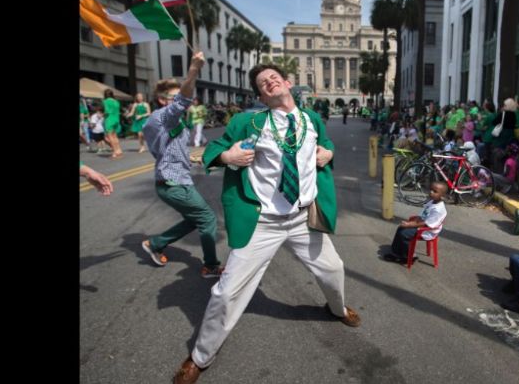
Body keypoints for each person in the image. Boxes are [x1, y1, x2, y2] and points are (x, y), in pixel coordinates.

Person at [173, 63, 360, 383]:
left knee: (333, 269)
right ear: (261, 94)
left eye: (274, 77)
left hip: (303, 218)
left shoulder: (311, 119)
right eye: (263, 82)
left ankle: (337, 308)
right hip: (262, 221)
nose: (270, 82)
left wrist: (327, 153)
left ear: (287, 82)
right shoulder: (249, 121)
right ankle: (201, 356)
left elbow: (326, 144)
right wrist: (228, 157)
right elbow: (213, 150)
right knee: (226, 292)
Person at [140, 52, 224, 279]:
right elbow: (184, 100)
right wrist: (194, 69)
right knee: (207, 218)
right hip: (173, 183)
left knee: (194, 218)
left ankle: (155, 243)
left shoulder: (173, 122)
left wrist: (194, 159)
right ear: (162, 100)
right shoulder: (161, 118)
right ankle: (211, 266)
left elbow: (170, 150)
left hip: (174, 179)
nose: (181, 101)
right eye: (174, 97)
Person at [383, 182, 448, 263]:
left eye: (435, 191)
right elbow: (423, 215)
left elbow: (427, 224)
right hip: (422, 225)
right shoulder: (432, 202)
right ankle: (396, 251)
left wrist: (411, 224)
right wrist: (412, 222)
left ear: (442, 196)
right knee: (401, 228)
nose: (431, 192)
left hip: (428, 231)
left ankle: (408, 257)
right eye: (431, 189)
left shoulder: (438, 210)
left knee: (404, 234)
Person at [102, 89, 123, 159]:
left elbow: (107, 111)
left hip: (110, 119)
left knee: (110, 137)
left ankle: (115, 151)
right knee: (115, 136)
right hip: (116, 119)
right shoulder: (116, 102)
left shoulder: (106, 101)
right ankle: (119, 150)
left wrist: (103, 115)